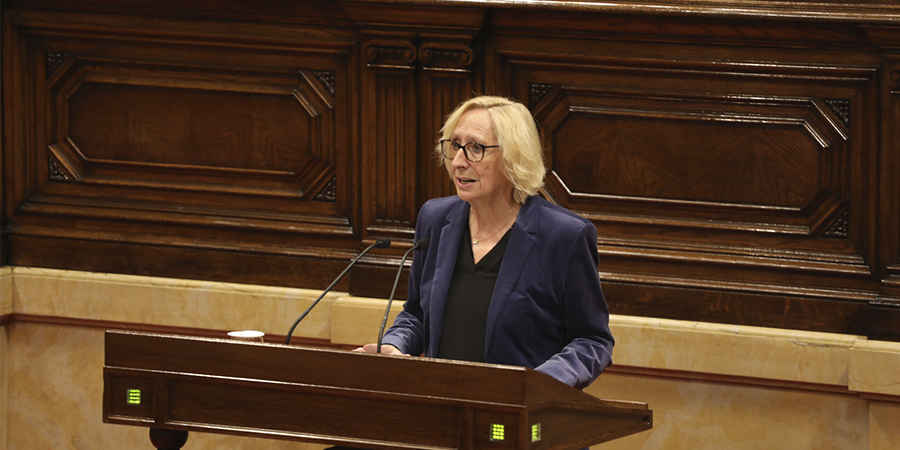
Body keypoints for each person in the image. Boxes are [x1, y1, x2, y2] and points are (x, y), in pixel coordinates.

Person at [355, 95, 613, 389]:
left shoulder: (563, 236)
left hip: (513, 418)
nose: (459, 162)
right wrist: (396, 345)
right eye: (455, 146)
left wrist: (542, 383)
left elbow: (592, 340)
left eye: (476, 148)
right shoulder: (436, 219)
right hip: (442, 406)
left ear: (515, 156)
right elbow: (416, 313)